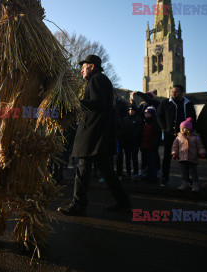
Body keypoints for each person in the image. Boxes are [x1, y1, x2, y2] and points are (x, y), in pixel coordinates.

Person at [57, 54, 130, 216]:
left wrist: (75, 103)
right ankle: (123, 201)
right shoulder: (98, 80)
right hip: (97, 134)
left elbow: (98, 104)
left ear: (92, 66)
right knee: (106, 170)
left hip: (93, 134)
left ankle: (78, 205)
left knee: (82, 170)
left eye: (83, 66)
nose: (81, 69)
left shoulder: (98, 80)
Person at [157, 85, 197, 187]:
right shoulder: (165, 103)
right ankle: (164, 178)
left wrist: (191, 130)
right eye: (172, 91)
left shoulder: (188, 103)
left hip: (184, 136)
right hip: (169, 134)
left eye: (176, 92)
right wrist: (164, 127)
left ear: (182, 92)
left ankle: (186, 179)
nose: (173, 93)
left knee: (185, 158)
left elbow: (193, 118)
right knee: (167, 157)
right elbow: (159, 116)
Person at [171, 117, 206, 192]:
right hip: (182, 157)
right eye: (181, 129)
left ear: (189, 129)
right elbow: (175, 147)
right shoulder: (179, 137)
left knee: (193, 171)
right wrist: (174, 154)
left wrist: (202, 153)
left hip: (192, 157)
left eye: (184, 129)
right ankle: (184, 183)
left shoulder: (195, 137)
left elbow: (200, 146)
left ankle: (195, 184)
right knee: (184, 171)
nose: (182, 130)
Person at [118, 105, 143, 179]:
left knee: (134, 157)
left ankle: (135, 172)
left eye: (132, 110)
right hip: (126, 142)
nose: (131, 111)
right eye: (129, 110)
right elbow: (122, 130)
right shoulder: (124, 119)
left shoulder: (138, 119)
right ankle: (128, 172)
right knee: (127, 158)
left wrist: (134, 137)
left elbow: (139, 130)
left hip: (134, 141)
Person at [140, 106, 162, 183]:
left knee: (153, 162)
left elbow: (157, 136)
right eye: (145, 113)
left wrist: (154, 146)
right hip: (145, 146)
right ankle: (148, 175)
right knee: (147, 162)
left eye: (148, 113)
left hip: (151, 146)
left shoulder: (155, 124)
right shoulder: (145, 122)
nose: (146, 114)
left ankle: (153, 177)